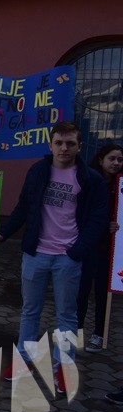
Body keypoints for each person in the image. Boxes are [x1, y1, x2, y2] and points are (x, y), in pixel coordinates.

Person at [0, 122, 107, 394]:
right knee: (29, 311)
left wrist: (77, 251)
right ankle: (24, 360)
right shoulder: (38, 170)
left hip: (68, 257)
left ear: (79, 146)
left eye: (70, 143)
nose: (64, 148)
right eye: (59, 143)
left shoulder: (91, 179)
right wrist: (5, 232)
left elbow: (98, 219)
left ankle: (63, 369)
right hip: (36, 254)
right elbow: (23, 206)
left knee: (67, 315)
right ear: (50, 145)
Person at [77, 144, 123, 353]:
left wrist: (117, 225)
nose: (116, 163)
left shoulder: (120, 185)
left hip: (109, 249)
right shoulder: (90, 182)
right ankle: (75, 332)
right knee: (81, 291)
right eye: (112, 158)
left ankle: (98, 334)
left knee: (103, 293)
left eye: (120, 159)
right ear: (101, 159)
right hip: (88, 244)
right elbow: (84, 213)